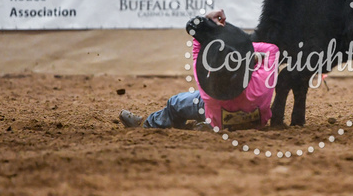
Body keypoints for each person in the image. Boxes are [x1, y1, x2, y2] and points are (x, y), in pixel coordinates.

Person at [119, 10, 280, 131]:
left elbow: (198, 43)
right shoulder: (261, 87)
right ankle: (201, 125)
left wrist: (209, 21)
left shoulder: (208, 92)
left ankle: (148, 125)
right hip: (257, 122)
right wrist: (246, 52)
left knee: (175, 103)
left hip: (217, 114)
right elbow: (272, 49)